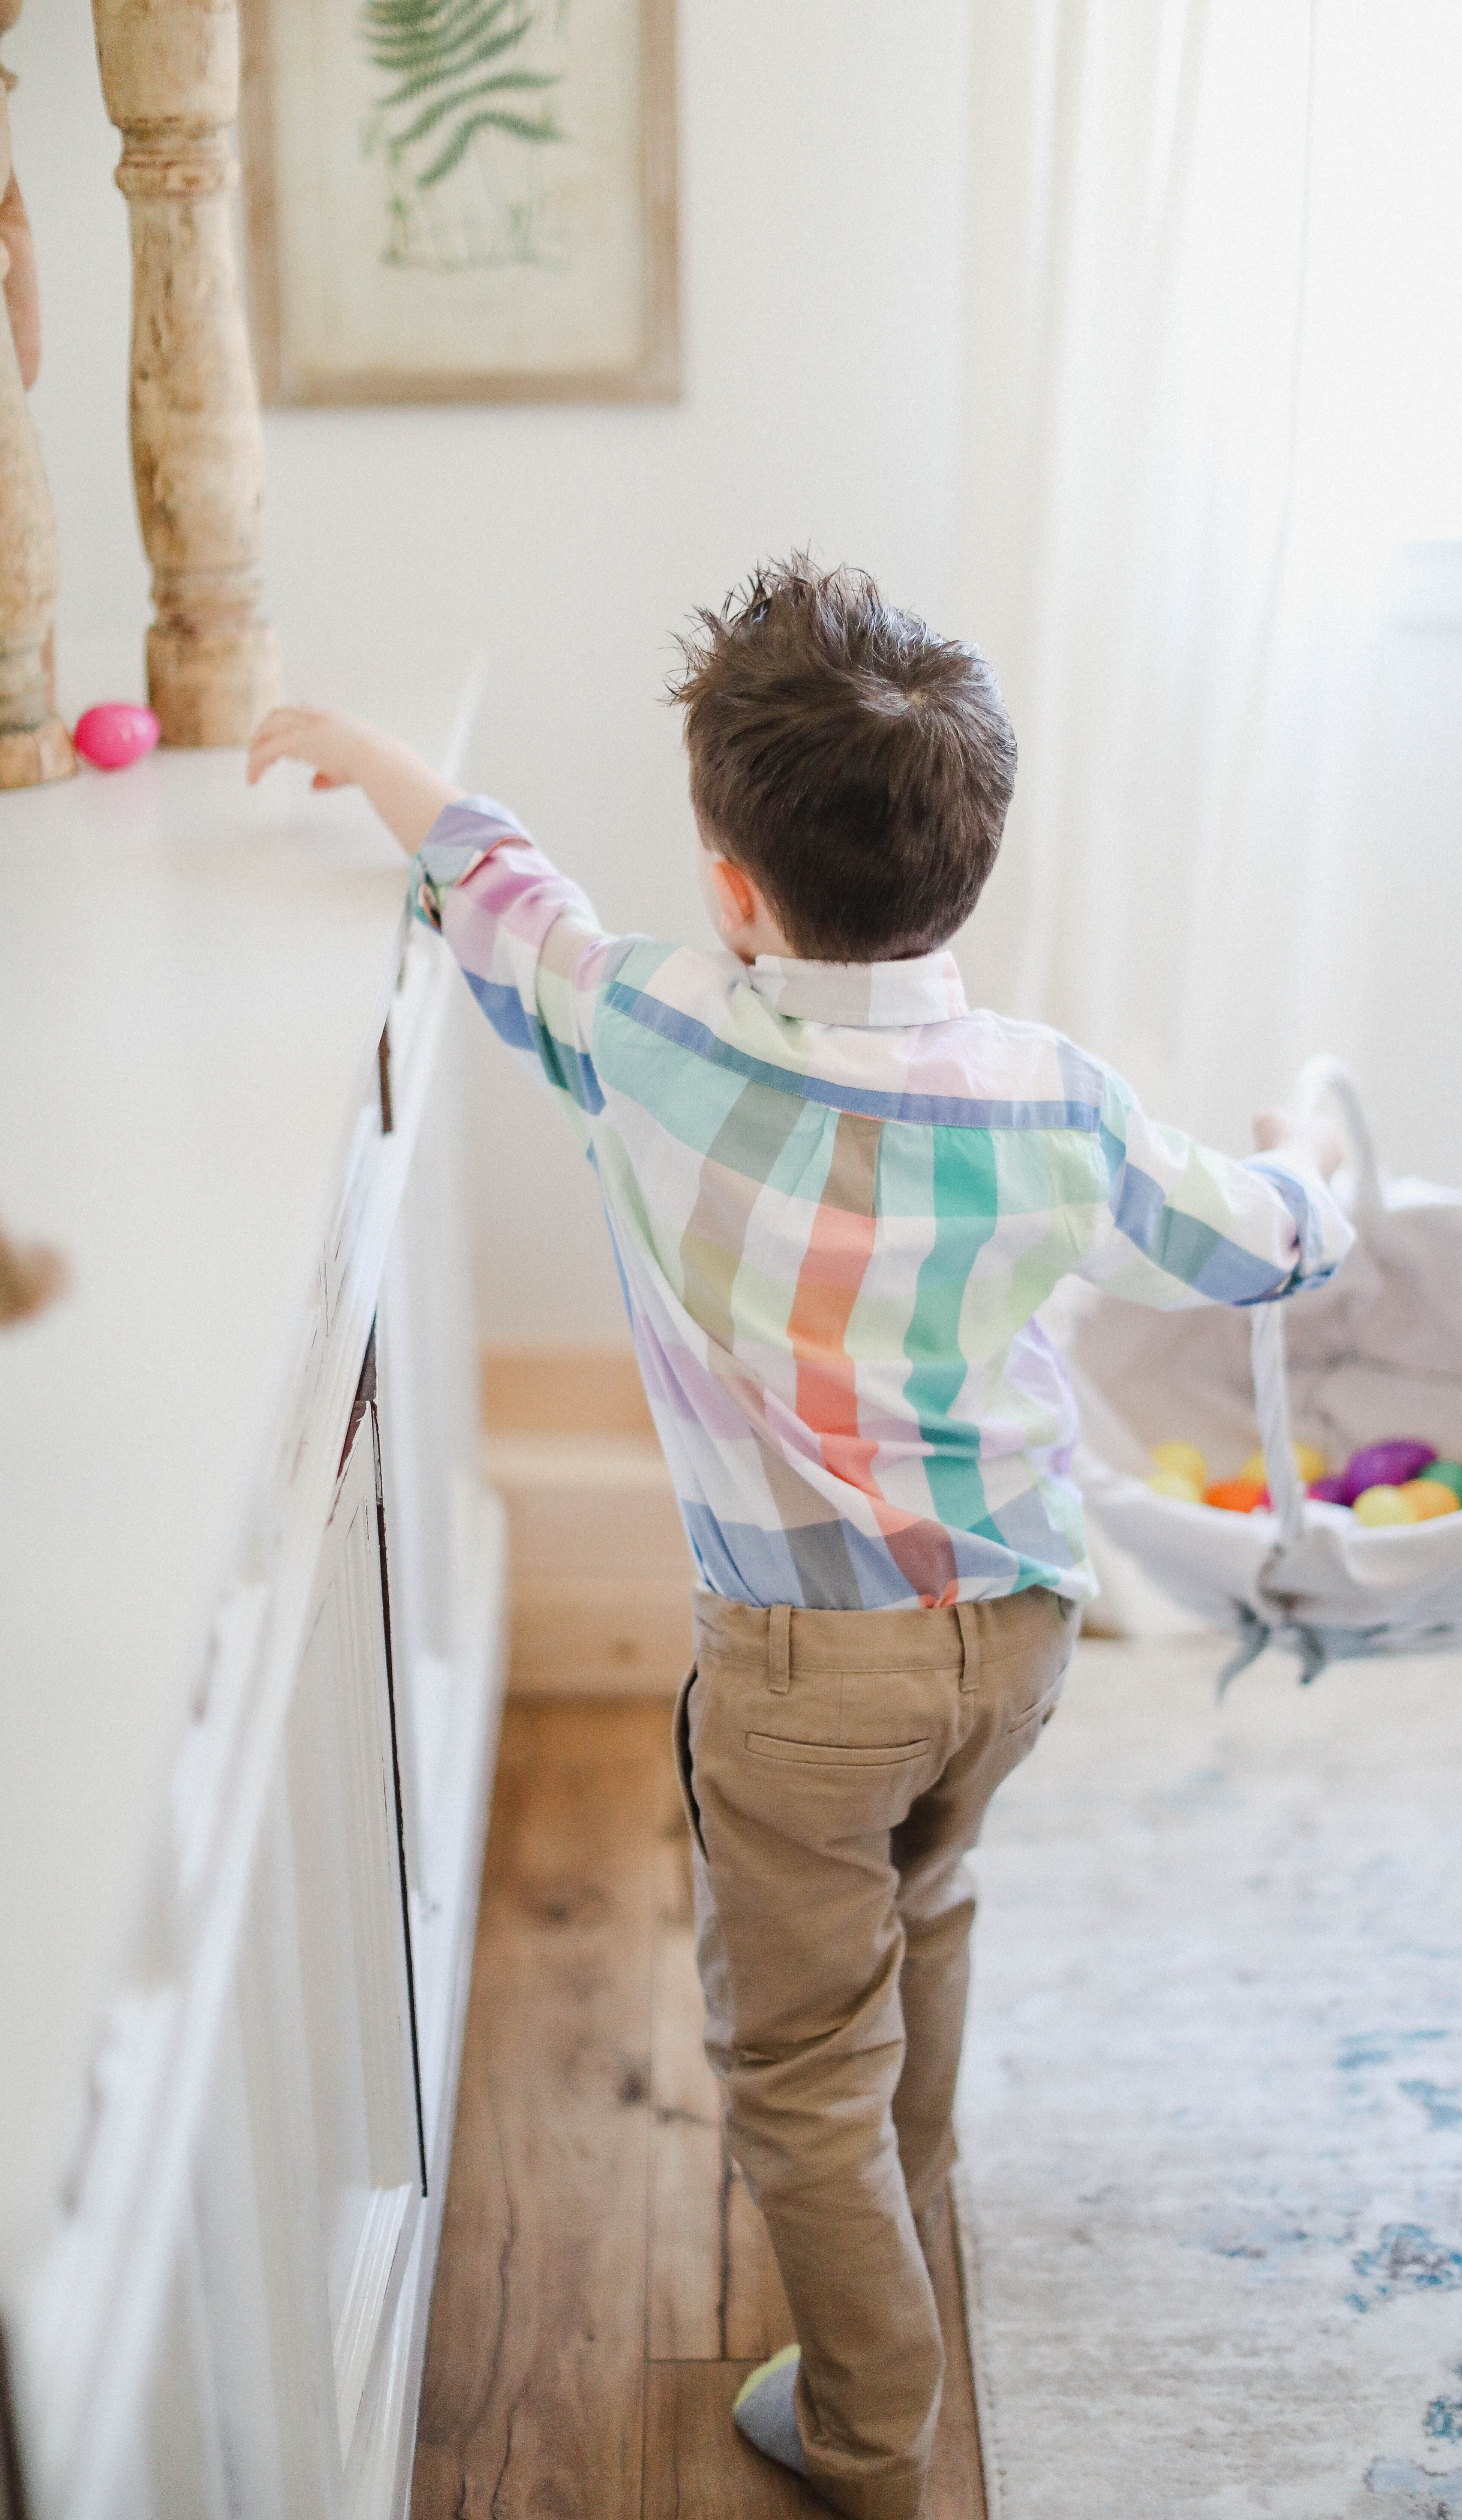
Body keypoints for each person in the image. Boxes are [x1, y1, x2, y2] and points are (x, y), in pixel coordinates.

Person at [248, 555, 1350, 2520]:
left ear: (736, 886)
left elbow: (509, 900)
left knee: (790, 2066)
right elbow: (1258, 1242)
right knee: (928, 1899)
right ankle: (912, 2209)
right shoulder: (1054, 1105)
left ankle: (870, 2420)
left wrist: (371, 764)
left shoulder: (663, 1034)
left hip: (801, 1679)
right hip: (1014, 1637)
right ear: (969, 867)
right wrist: (1321, 1170)